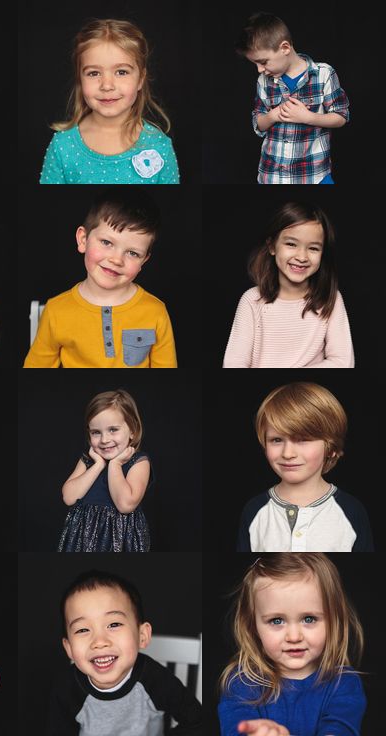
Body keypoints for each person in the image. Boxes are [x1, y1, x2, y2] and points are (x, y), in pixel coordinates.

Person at [24, 188, 176, 368]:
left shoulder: (155, 312)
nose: (116, 260)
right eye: (106, 243)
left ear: (144, 259)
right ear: (83, 240)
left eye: (133, 253)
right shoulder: (56, 310)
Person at [219, 553, 366, 736]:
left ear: (333, 621)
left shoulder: (344, 683)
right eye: (277, 621)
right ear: (253, 627)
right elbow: (236, 729)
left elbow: (340, 729)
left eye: (309, 618)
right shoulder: (241, 683)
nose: (294, 637)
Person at [48, 569, 203, 735]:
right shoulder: (66, 690)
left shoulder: (155, 679)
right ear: (69, 648)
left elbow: (197, 722)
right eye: (83, 629)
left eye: (114, 624)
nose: (99, 642)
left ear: (142, 636)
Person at [40, 18, 178, 184]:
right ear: (80, 79)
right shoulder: (62, 146)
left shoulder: (160, 145)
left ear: (141, 78)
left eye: (121, 72)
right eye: (93, 73)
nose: (107, 85)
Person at [237, 382, 372, 552]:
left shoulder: (352, 510)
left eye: (302, 440)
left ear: (331, 448)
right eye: (277, 440)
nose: (287, 453)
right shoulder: (254, 510)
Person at [223, 202, 354, 368]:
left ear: (323, 253)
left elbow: (343, 362)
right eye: (291, 244)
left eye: (313, 248)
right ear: (272, 246)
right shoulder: (251, 300)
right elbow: (234, 363)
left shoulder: (331, 298)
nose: (302, 256)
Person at [235, 12, 349, 184]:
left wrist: (309, 118)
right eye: (255, 64)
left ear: (285, 48)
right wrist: (273, 115)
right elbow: (258, 123)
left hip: (315, 175)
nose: (259, 69)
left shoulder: (324, 74)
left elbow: (341, 116)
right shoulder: (264, 81)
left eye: (263, 62)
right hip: (271, 175)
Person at [59, 390, 152, 552]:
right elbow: (69, 497)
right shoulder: (88, 460)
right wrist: (98, 465)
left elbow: (125, 505)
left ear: (132, 430)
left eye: (113, 430)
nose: (104, 440)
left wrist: (115, 465)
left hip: (120, 538)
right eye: (96, 432)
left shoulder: (138, 462)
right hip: (81, 538)